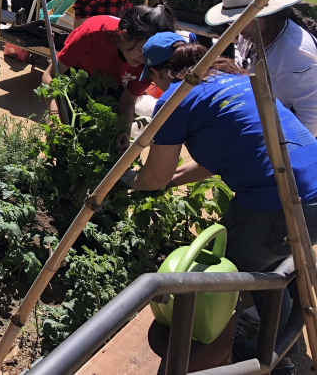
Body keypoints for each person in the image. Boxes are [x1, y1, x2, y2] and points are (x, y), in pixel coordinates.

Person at [133, 41, 317, 374]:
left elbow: (154, 177)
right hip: (310, 186)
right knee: (263, 271)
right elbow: (216, 159)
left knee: (219, 274)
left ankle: (243, 361)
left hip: (278, 203)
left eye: (155, 78)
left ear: (160, 71)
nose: (157, 87)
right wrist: (170, 179)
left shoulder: (175, 96)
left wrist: (128, 183)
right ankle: (281, 354)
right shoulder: (234, 77)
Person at [40, 0, 176, 137]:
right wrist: (55, 115)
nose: (145, 60)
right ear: (124, 36)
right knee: (67, 135)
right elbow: (49, 76)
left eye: (150, 56)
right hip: (75, 79)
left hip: (113, 88)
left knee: (108, 139)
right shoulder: (92, 32)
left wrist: (124, 133)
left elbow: (127, 102)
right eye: (142, 50)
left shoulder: (150, 64)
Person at [205, 0, 317, 137]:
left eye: (242, 19)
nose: (236, 27)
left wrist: (277, 152)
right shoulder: (250, 34)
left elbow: (312, 117)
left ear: (270, 14)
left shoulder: (293, 52)